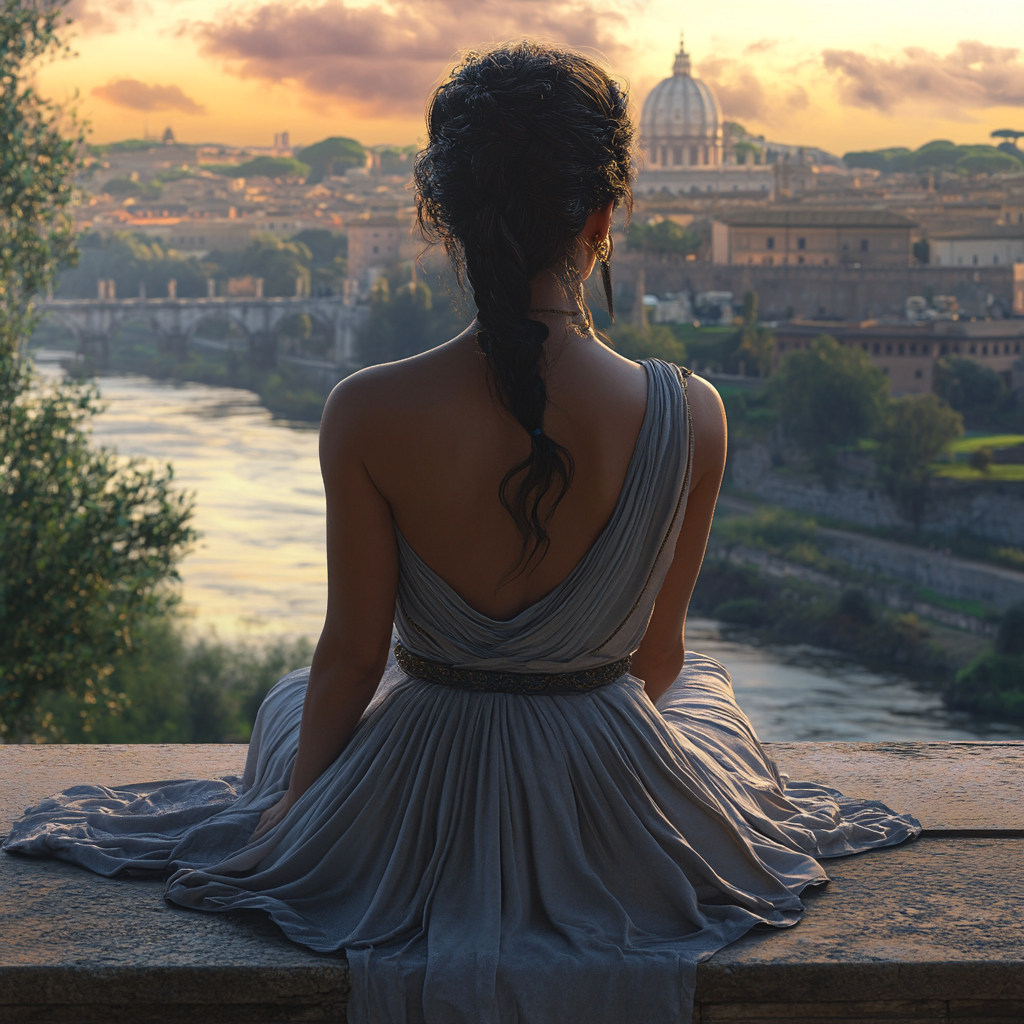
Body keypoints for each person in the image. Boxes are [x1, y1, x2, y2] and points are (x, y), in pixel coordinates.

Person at [4, 41, 918, 1024]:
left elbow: (353, 657)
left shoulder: (365, 409)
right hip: (599, 759)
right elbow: (656, 660)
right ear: (604, 220)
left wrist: (294, 813)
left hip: (419, 756)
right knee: (708, 703)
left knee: (283, 710)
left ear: (440, 221)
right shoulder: (693, 415)